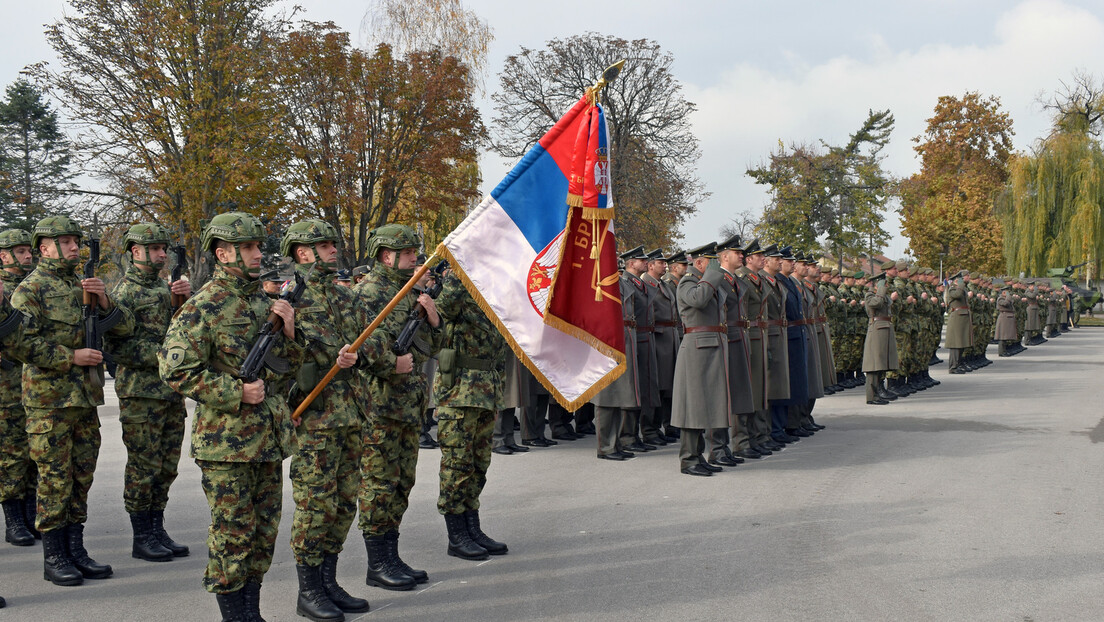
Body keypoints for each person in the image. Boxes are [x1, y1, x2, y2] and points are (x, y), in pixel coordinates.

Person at [159, 212, 303, 619]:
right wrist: (233, 391)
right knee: (232, 537)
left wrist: (291, 334)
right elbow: (175, 369)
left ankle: (251, 612)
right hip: (226, 444)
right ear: (223, 254)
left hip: (267, 440)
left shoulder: (264, 301)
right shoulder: (203, 306)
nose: (259, 254)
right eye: (249, 248)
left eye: (258, 246)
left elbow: (287, 366)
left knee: (262, 535)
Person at [12, 215, 134, 587]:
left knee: (81, 477)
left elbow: (125, 327)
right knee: (53, 480)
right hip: (49, 403)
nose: (73, 248)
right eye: (64, 242)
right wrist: (71, 357)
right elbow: (19, 343)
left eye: (75, 242)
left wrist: (104, 298)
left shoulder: (83, 285)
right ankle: (54, 556)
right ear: (43, 248)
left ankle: (76, 549)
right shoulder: (30, 289)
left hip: (84, 399)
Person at [281, 219, 375, 620]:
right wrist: (287, 408)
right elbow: (277, 362)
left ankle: (328, 581)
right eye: (323, 244)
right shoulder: (289, 301)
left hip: (350, 412)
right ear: (303, 253)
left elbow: (372, 343)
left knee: (343, 503)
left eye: (333, 243)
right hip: (314, 418)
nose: (333, 249)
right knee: (315, 506)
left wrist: (358, 356)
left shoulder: (344, 295)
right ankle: (308, 591)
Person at [352, 224, 441, 591]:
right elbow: (356, 344)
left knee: (402, 482)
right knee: (378, 485)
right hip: (378, 406)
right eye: (407, 254)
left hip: (408, 404)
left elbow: (431, 346)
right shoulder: (367, 294)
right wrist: (391, 363)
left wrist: (433, 317)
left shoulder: (410, 293)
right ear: (386, 256)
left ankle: (391, 555)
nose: (414, 260)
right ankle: (378, 564)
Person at [105, 224, 191, 563]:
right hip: (141, 395)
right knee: (144, 466)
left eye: (162, 248)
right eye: (154, 248)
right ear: (134, 252)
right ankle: (142, 536)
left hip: (170, 393)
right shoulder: (123, 293)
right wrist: (166, 357)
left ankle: (157, 528)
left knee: (167, 466)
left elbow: (179, 332)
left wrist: (181, 299)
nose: (161, 254)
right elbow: (116, 347)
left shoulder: (163, 288)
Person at [434, 270, 510, 560]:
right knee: (457, 464)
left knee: (479, 462)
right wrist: (459, 273)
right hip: (459, 392)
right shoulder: (455, 286)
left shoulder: (490, 291)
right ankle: (457, 535)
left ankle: (472, 526)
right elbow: (445, 309)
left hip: (486, 388)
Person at [671, 243, 729, 476]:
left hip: (709, 347)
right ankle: (688, 459)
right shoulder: (687, 282)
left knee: (705, 406)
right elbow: (698, 300)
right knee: (692, 407)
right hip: (696, 349)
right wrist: (713, 275)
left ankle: (698, 455)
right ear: (699, 263)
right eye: (710, 261)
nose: (714, 266)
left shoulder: (707, 281)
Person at [0, 229, 37, 547]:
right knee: (11, 453)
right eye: (20, 251)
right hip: (6, 386)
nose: (28, 255)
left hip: (34, 382)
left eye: (29, 250)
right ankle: (14, 521)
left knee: (34, 452)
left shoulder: (33, 287)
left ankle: (30, 513)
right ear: (3, 255)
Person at [708, 235, 750, 467]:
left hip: (736, 339)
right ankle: (717, 447)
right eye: (738, 253)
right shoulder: (717, 279)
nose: (742, 256)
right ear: (724, 256)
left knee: (735, 395)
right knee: (720, 396)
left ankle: (730, 444)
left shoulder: (734, 279)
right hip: (724, 340)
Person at [862, 272, 899, 405]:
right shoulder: (870, 295)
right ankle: (872, 396)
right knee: (874, 364)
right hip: (877, 330)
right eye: (884, 283)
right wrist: (881, 289)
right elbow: (875, 304)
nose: (887, 286)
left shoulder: (882, 295)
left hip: (885, 329)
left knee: (881, 363)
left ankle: (879, 391)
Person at [944, 272, 973, 374]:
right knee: (955, 344)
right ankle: (953, 366)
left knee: (961, 343)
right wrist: (960, 285)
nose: (964, 280)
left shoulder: (961, 288)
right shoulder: (952, 288)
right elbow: (957, 295)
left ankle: (958, 364)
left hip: (963, 317)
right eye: (961, 279)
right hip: (957, 317)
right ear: (957, 280)